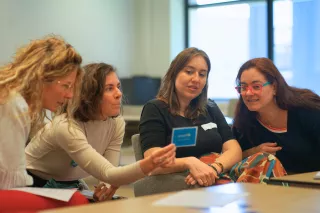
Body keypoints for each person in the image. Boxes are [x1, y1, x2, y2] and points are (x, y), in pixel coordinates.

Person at [25, 62, 176, 202]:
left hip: (68, 185)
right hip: (32, 183)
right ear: (89, 96)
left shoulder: (116, 123)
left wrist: (104, 188)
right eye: (109, 88)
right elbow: (109, 173)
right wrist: (147, 165)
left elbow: (108, 173)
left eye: (118, 86)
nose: (119, 94)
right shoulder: (65, 127)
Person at [140, 48, 286, 190]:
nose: (196, 79)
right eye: (189, 72)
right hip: (187, 175)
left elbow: (234, 149)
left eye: (202, 74)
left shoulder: (209, 106)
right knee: (229, 184)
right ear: (174, 73)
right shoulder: (155, 109)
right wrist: (190, 163)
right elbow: (152, 161)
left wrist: (215, 168)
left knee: (266, 160)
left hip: (218, 169)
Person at [0, 35, 88, 210]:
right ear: (43, 77)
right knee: (76, 201)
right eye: (66, 86)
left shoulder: (10, 95)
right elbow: (8, 183)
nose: (70, 95)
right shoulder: (14, 104)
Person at [232, 57, 320, 174]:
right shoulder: (243, 121)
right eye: (243, 87)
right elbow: (233, 158)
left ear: (274, 87)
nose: (248, 93)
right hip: (273, 189)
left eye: (256, 86)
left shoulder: (308, 109)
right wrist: (253, 152)